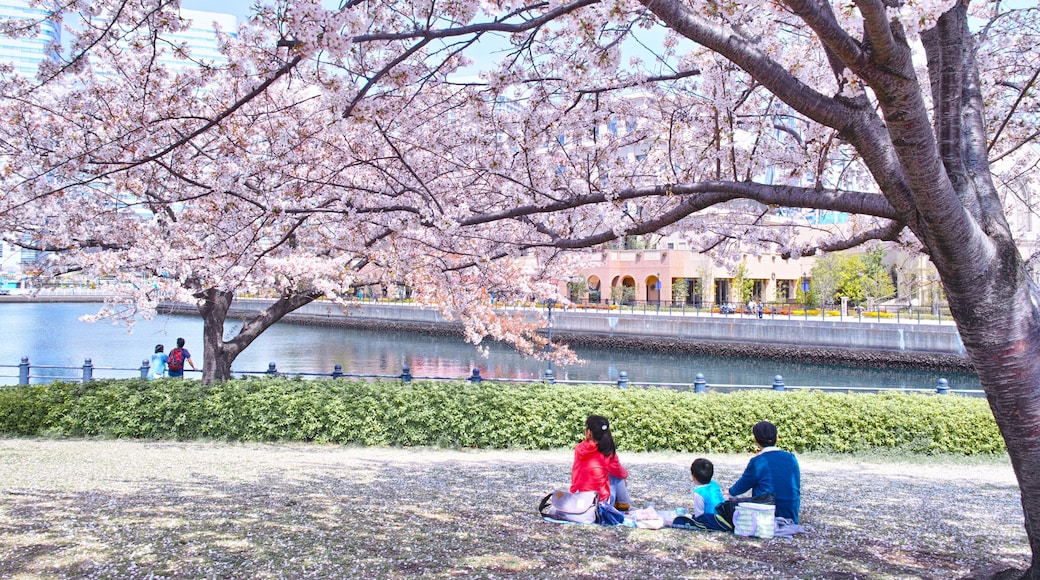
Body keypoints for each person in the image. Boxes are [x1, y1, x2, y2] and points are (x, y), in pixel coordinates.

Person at [726, 420, 801, 523]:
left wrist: (729, 492)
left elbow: (742, 486)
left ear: (755, 440)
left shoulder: (758, 462)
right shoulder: (791, 458)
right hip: (791, 514)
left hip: (767, 514)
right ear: (777, 437)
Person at [571, 415, 632, 511]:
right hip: (600, 503)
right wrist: (625, 475)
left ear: (589, 433)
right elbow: (620, 472)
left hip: (579, 498)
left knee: (610, 472)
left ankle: (621, 503)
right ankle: (624, 503)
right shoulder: (607, 452)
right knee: (616, 476)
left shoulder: (579, 448)